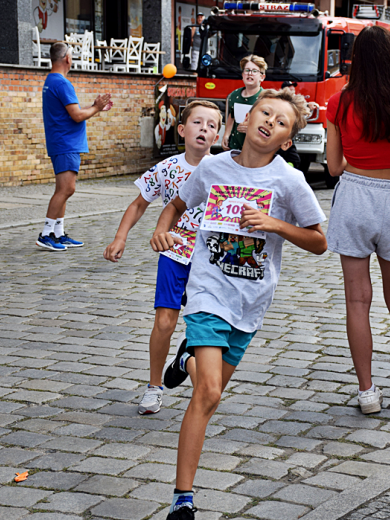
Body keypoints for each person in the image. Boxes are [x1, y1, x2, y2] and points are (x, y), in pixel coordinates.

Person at [152, 89, 327, 520]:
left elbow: (320, 241)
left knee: (207, 389)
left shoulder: (288, 181)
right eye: (265, 113)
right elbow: (176, 204)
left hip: (249, 302)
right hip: (208, 291)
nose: (270, 121)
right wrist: (161, 230)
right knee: (208, 394)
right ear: (247, 120)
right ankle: (183, 499)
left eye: (281, 121)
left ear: (287, 140)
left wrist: (274, 224)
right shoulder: (213, 167)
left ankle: (189, 359)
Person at [326, 26, 390, 414]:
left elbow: (333, 167)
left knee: (357, 299)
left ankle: (367, 392)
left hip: (353, 193)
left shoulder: (339, 103)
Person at [102, 101, 222, 414]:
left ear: (218, 135)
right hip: (174, 254)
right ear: (182, 130)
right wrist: (120, 237)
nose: (204, 129)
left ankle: (189, 361)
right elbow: (138, 204)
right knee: (165, 323)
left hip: (210, 260)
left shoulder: (223, 170)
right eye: (198, 123)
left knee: (205, 323)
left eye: (211, 126)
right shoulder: (168, 168)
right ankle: (155, 386)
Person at [36, 42, 112, 251]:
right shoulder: (62, 83)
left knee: (64, 190)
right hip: (65, 142)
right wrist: (96, 107)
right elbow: (77, 115)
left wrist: (95, 108)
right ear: (67, 58)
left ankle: (58, 233)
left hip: (62, 141)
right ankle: (46, 234)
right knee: (67, 189)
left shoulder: (51, 81)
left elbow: (73, 111)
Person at [222, 55, 266, 151]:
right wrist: (226, 134)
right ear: (242, 75)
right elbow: (232, 115)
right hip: (234, 147)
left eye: (254, 71)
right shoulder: (234, 95)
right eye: (247, 70)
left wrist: (253, 130)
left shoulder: (266, 98)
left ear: (262, 77)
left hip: (256, 150)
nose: (250, 73)